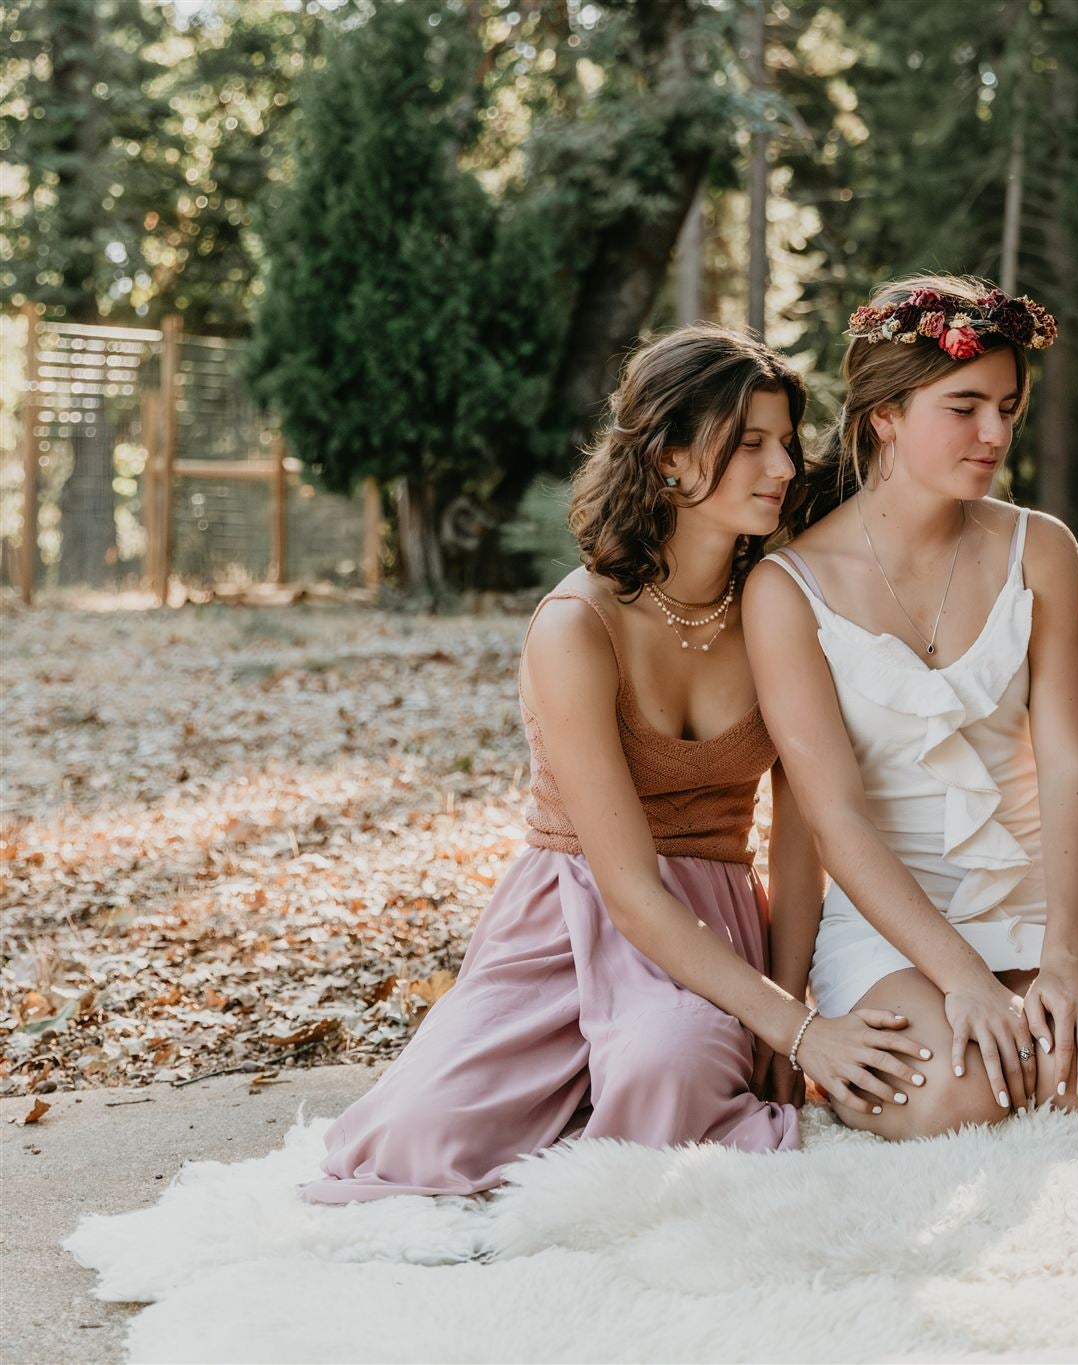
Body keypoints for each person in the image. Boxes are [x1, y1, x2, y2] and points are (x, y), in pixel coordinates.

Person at [303, 326, 927, 1202]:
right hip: (570, 912)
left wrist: (788, 1019)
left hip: (713, 922)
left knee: (668, 1065)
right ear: (669, 458)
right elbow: (629, 891)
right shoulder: (576, 627)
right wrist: (798, 1030)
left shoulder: (783, 610)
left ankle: (624, 1093)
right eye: (749, 442)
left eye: (785, 441)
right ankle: (574, 1098)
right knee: (417, 1141)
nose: (781, 465)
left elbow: (800, 834)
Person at [743, 275, 1078, 1138]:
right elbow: (831, 820)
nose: (995, 433)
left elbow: (1074, 765)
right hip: (886, 920)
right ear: (885, 414)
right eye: (965, 406)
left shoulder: (1042, 548)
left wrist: (1068, 962)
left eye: (1007, 406)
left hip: (1041, 901)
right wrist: (959, 975)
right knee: (959, 1096)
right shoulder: (787, 588)